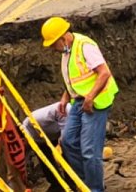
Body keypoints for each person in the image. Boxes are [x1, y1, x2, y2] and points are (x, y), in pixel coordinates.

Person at [40, 16, 118, 192]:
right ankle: (85, 182)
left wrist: (90, 98)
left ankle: (95, 189)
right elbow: (75, 78)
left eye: (54, 44)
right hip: (79, 100)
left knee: (90, 151)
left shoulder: (84, 46)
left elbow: (104, 73)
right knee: (68, 142)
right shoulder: (66, 51)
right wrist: (65, 96)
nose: (53, 49)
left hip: (96, 101)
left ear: (63, 37)